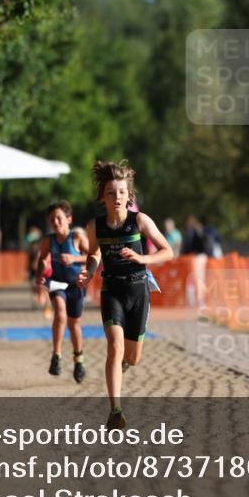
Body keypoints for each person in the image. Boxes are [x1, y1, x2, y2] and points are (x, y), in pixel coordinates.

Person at [77, 160, 173, 430]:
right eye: (111, 193)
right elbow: (94, 253)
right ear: (102, 197)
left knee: (132, 358)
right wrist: (89, 271)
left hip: (138, 290)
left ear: (129, 195)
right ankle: (115, 411)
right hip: (112, 291)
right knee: (114, 346)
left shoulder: (139, 221)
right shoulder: (95, 226)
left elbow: (168, 251)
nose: (116, 197)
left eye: (121, 192)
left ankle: (126, 364)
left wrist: (142, 258)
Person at [36, 201, 89, 383]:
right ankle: (56, 355)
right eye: (52, 219)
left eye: (59, 218)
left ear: (69, 219)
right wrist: (39, 276)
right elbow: (42, 259)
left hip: (75, 285)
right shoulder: (48, 240)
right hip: (57, 283)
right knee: (60, 312)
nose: (55, 222)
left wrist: (75, 258)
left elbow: (94, 256)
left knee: (74, 324)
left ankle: (79, 360)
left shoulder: (77, 238)